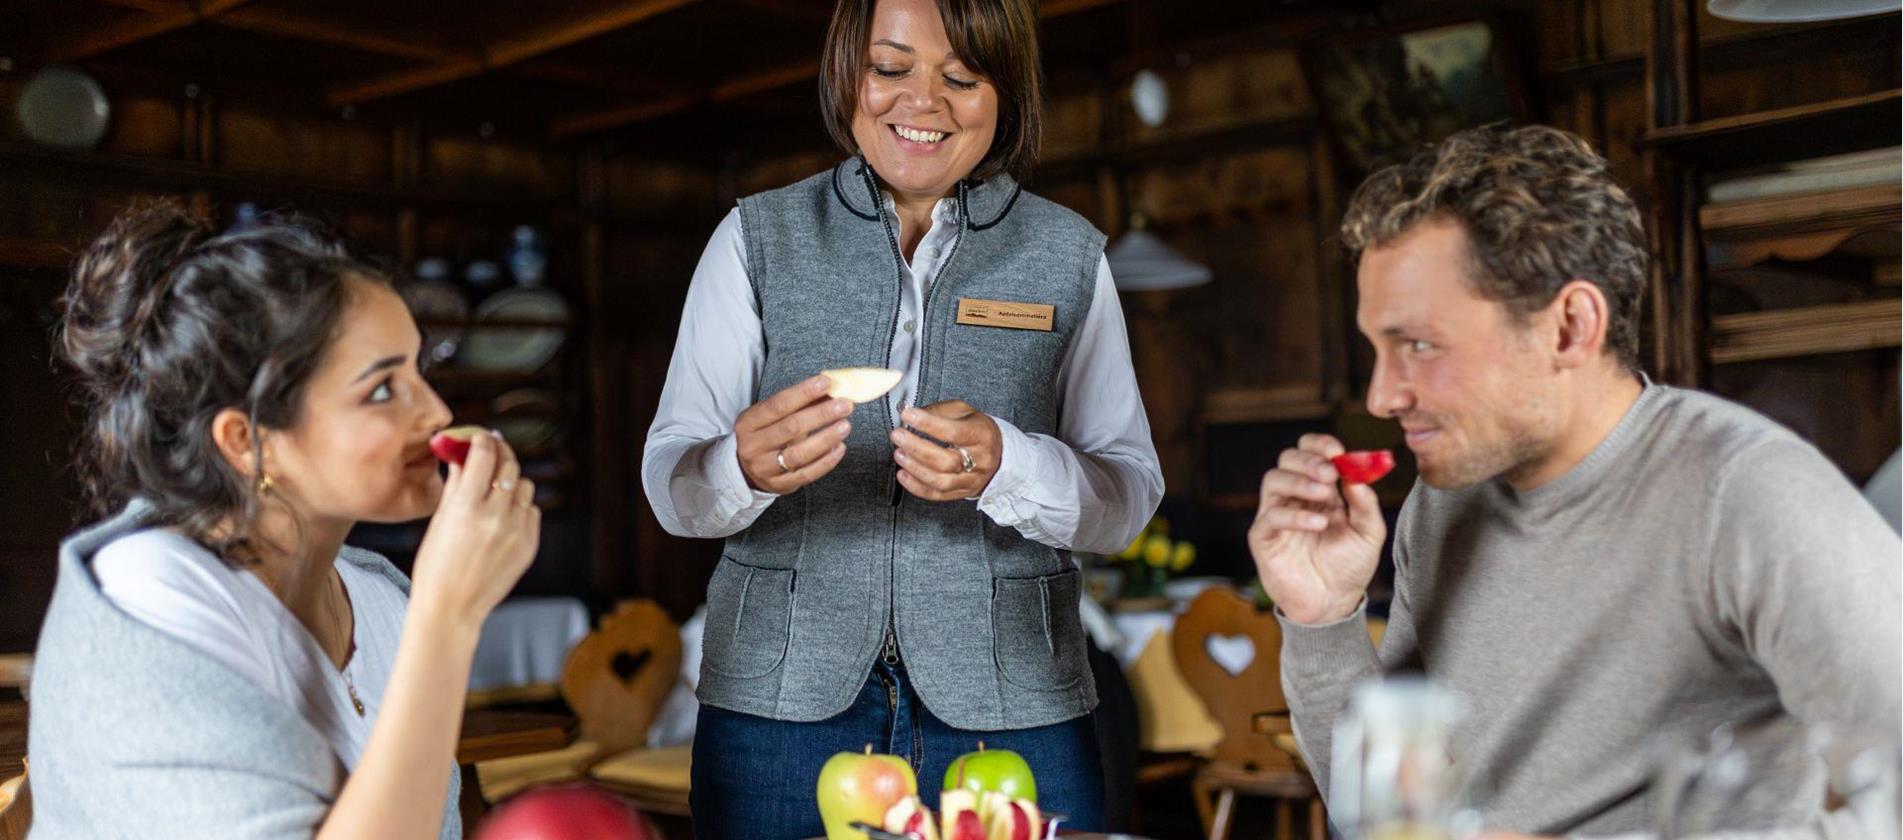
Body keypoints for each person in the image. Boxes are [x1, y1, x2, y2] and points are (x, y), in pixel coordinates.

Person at [1248, 125, 1901, 837]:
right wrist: (1321, 619)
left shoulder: (1748, 492)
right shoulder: (1444, 501)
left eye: (1420, 345)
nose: (1381, 397)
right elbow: (1389, 818)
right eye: (1378, 348)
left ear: (1569, 327)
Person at [640, 0, 1162, 835]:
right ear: (847, 74)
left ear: (1006, 95)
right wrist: (737, 467)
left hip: (1016, 699)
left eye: (961, 76)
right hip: (779, 704)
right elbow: (673, 483)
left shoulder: (1070, 256)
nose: (922, 101)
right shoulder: (753, 238)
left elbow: (1126, 500)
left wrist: (1011, 466)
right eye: (890, 68)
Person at [28, 203, 539, 838]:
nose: (435, 412)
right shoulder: (152, 599)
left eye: (420, 369)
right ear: (246, 439)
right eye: (381, 389)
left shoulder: (383, 604)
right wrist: (449, 615)